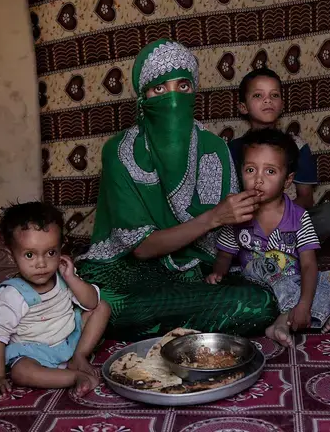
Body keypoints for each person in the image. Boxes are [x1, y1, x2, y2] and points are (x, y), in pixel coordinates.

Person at [75, 39, 278, 341]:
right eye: (159, 89)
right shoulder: (119, 151)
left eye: (182, 87)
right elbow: (141, 248)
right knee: (103, 302)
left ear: (194, 91)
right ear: (142, 97)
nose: (172, 100)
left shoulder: (213, 149)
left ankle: (161, 321)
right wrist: (214, 217)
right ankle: (180, 321)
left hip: (194, 274)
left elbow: (224, 246)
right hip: (129, 272)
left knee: (259, 303)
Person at [209, 129, 330, 347]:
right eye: (250, 169)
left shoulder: (299, 217)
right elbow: (225, 254)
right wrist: (218, 273)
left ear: (287, 181)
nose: (258, 179)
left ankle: (289, 317)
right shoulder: (239, 213)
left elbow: (307, 265)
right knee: (257, 269)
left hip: (291, 283)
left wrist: (304, 303)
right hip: (255, 285)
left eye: (270, 172)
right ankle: (314, 315)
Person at [0, 202, 110, 399]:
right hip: (34, 353)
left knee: (102, 307)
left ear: (61, 250)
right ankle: (73, 377)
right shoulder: (11, 295)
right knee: (20, 373)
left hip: (69, 338)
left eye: (51, 253)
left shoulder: (63, 275)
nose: (41, 263)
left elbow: (92, 303)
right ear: (11, 257)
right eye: (29, 255)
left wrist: (72, 279)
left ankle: (79, 357)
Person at [228, 67, 330, 242]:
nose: (268, 100)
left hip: (288, 222)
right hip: (247, 224)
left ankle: (276, 245)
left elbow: (306, 198)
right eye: (258, 96)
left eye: (274, 95)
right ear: (243, 107)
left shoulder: (297, 146)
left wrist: (279, 218)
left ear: (282, 104)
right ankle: (263, 247)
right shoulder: (233, 148)